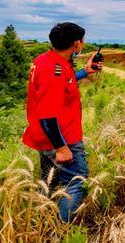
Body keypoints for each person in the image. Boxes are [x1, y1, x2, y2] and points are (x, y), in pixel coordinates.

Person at [22, 22, 103, 222]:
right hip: (61, 137)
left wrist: (85, 72)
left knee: (49, 180)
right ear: (76, 44)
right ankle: (61, 230)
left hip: (44, 136)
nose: (83, 44)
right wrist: (61, 147)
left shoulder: (45, 60)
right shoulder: (54, 70)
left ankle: (39, 222)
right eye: (82, 41)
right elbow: (47, 115)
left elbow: (63, 83)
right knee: (76, 182)